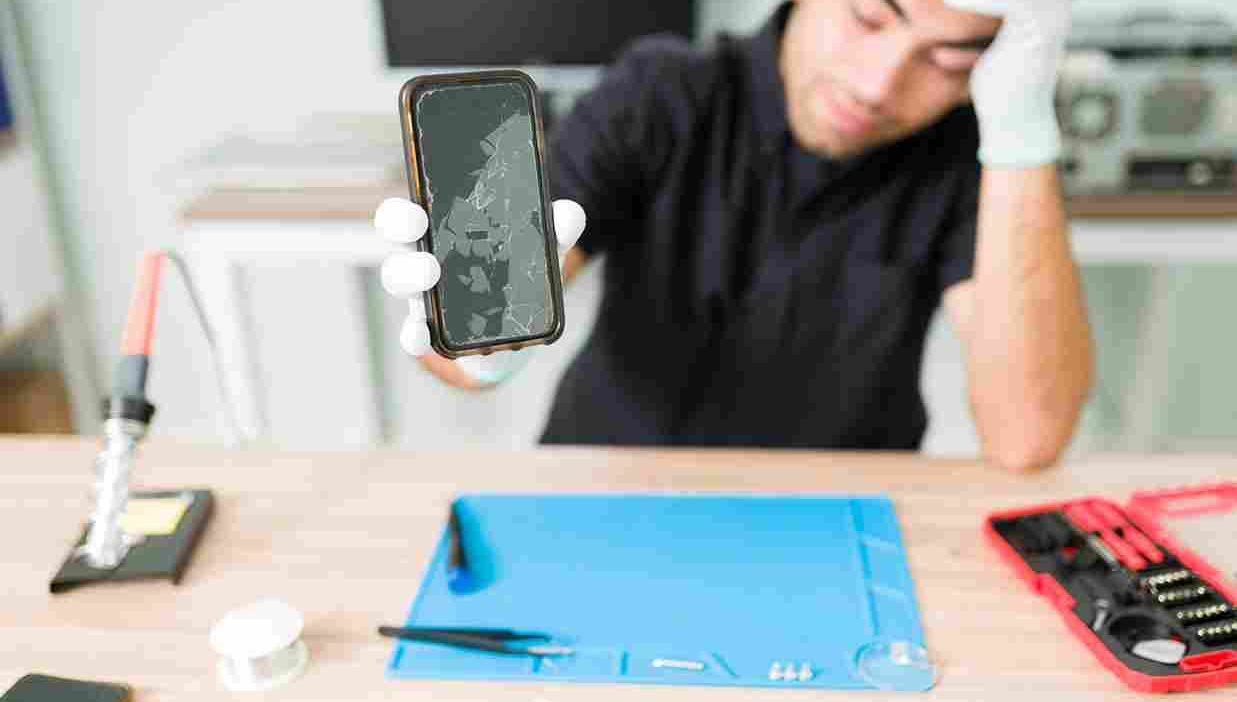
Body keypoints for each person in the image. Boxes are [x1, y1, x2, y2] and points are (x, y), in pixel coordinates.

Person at [373, 0, 1093, 471]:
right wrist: (481, 348)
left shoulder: (969, 158)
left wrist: (1021, 136)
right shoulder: (660, 92)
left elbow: (1026, 436)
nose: (879, 85)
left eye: (950, 58)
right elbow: (472, 340)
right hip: (605, 478)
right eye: (870, 17)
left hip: (840, 510)